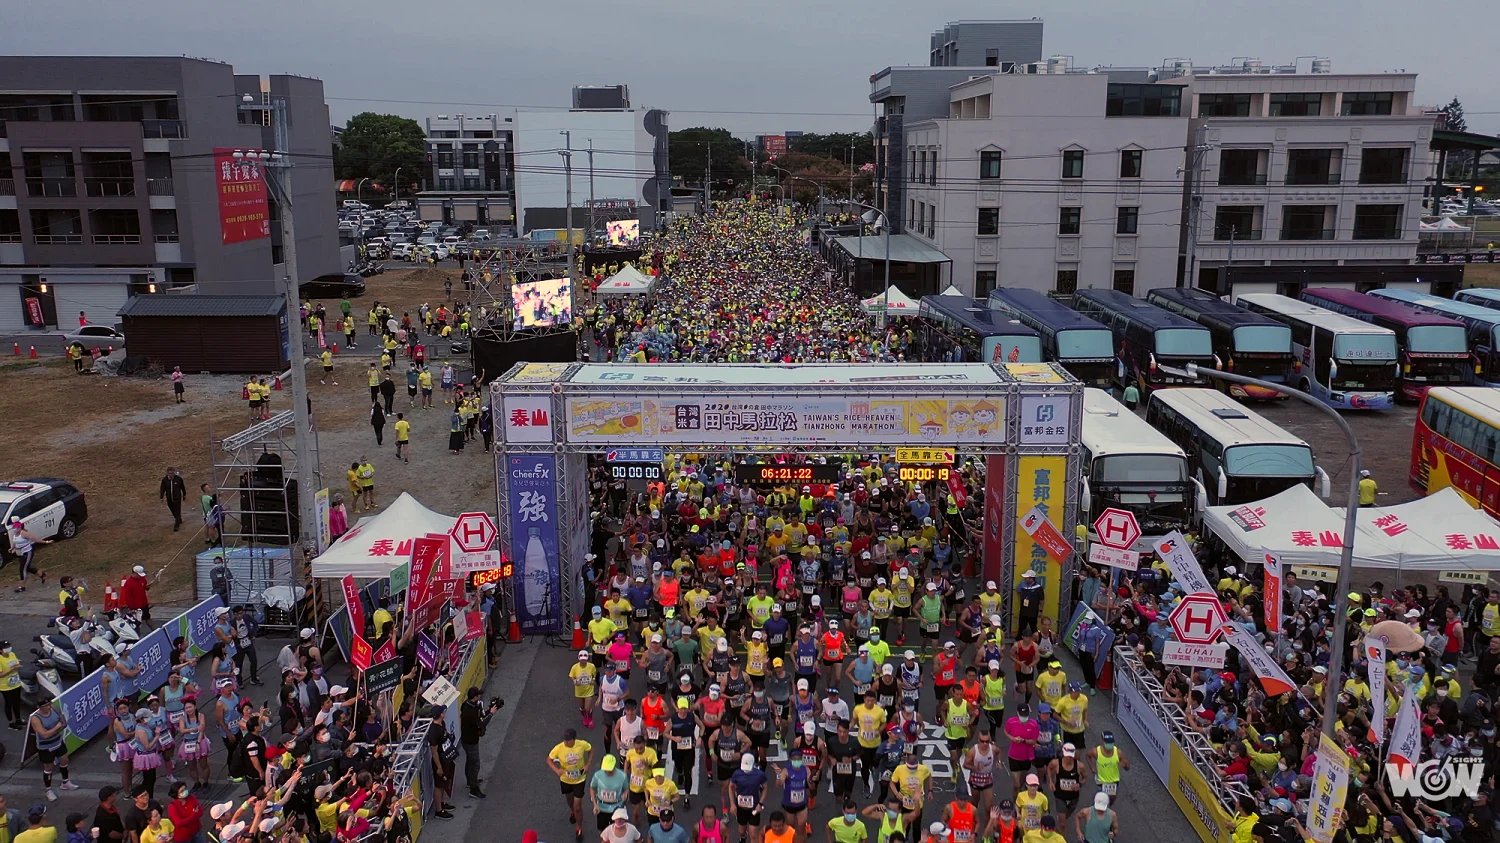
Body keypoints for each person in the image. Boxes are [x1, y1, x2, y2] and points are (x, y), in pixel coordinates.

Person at [548, 728, 594, 838]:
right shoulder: (559, 748)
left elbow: (591, 749)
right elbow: (549, 760)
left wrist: (588, 764)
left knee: (578, 805)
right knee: (570, 800)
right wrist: (557, 770)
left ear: (574, 739)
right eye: (565, 739)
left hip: (579, 779)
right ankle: (572, 811)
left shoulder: (581, 744)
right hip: (565, 779)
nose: (566, 742)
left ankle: (579, 827)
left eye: (568, 740)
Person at [31, 697, 76, 800]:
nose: (48, 707)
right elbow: (44, 735)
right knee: (48, 768)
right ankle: (48, 790)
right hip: (46, 746)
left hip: (58, 741)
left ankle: (65, 782)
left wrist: (54, 731)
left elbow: (64, 723)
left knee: (64, 760)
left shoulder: (55, 709)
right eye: (45, 706)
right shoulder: (35, 718)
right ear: (39, 707)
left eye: (49, 705)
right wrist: (56, 728)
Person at [460, 687, 500, 797]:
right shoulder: (471, 711)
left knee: (470, 761)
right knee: (475, 764)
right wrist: (491, 714)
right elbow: (481, 723)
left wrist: (489, 710)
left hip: (466, 738)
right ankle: (473, 789)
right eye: (478, 695)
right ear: (475, 697)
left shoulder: (466, 705)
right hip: (470, 741)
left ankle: (470, 781)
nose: (479, 697)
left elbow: (480, 717)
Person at [5, 517, 49, 592]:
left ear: (19, 527)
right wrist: (12, 548)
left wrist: (45, 542)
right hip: (21, 553)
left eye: (15, 527)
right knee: (27, 567)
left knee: (22, 569)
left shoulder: (24, 533)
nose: (14, 528)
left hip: (28, 552)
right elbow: (15, 542)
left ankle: (22, 586)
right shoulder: (15, 534)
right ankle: (42, 575)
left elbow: (35, 539)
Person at [0, 640, 22, 728]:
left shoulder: (12, 654)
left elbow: (17, 663)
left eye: (8, 646)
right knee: (9, 703)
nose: (8, 648)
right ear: (0, 650)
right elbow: (1, 674)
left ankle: (18, 719)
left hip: (16, 683)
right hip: (6, 686)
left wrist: (17, 666)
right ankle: (11, 723)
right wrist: (12, 669)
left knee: (17, 702)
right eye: (5, 647)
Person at [159, 467, 187, 531]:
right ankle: (178, 519)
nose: (170, 475)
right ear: (167, 473)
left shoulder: (178, 479)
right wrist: (161, 497)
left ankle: (176, 526)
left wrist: (184, 494)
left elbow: (182, 487)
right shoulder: (164, 480)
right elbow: (162, 489)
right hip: (169, 498)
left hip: (177, 498)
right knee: (172, 510)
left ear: (174, 472)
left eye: (172, 473)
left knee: (177, 511)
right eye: (169, 473)